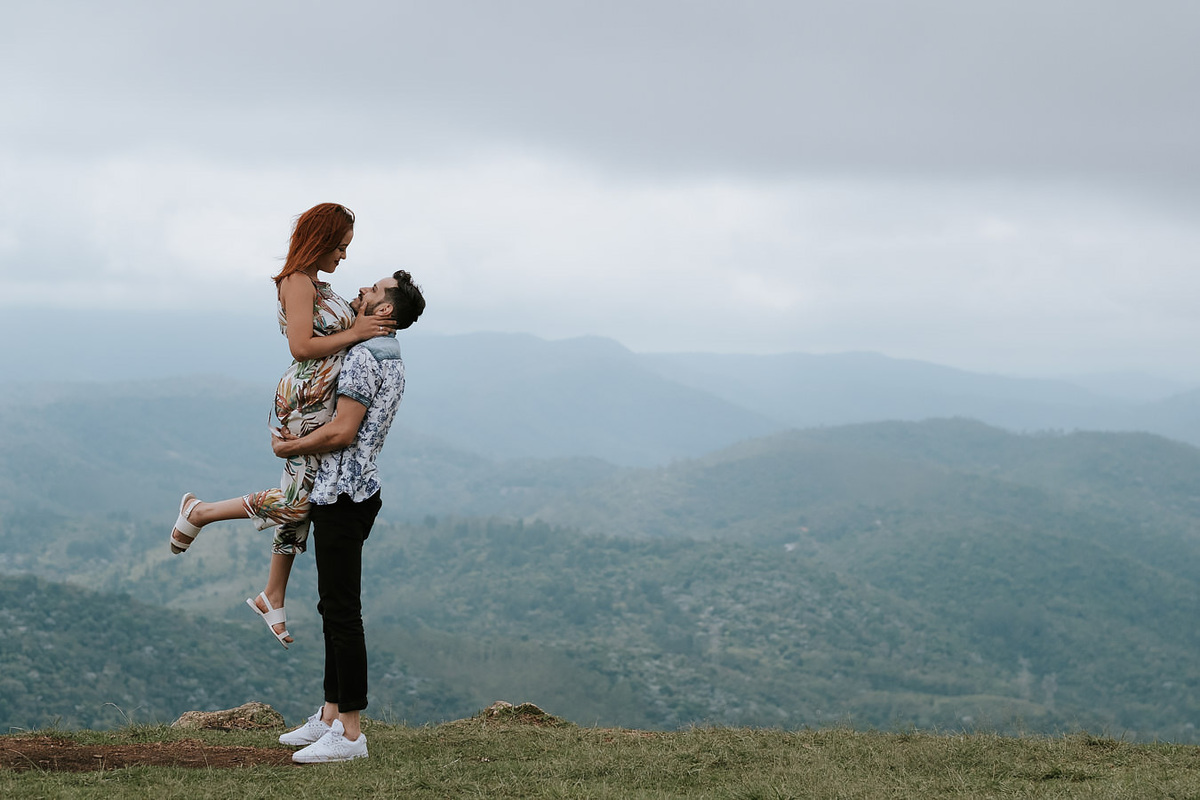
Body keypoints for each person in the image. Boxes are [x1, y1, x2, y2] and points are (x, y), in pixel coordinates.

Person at [168, 203, 396, 648]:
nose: (345, 256)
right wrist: (358, 332)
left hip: (322, 398)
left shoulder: (320, 286)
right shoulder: (295, 282)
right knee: (299, 500)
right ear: (322, 239)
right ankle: (201, 512)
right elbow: (301, 345)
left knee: (304, 495)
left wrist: (365, 317)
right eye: (341, 246)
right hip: (306, 397)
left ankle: (274, 593)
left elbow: (341, 328)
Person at [274, 270, 425, 764]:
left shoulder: (362, 357)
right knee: (332, 608)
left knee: (342, 613)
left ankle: (351, 735)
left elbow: (342, 432)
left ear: (384, 312)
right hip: (356, 491)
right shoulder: (391, 354)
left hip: (342, 494)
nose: (361, 289)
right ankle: (330, 714)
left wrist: (290, 445)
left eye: (373, 291)